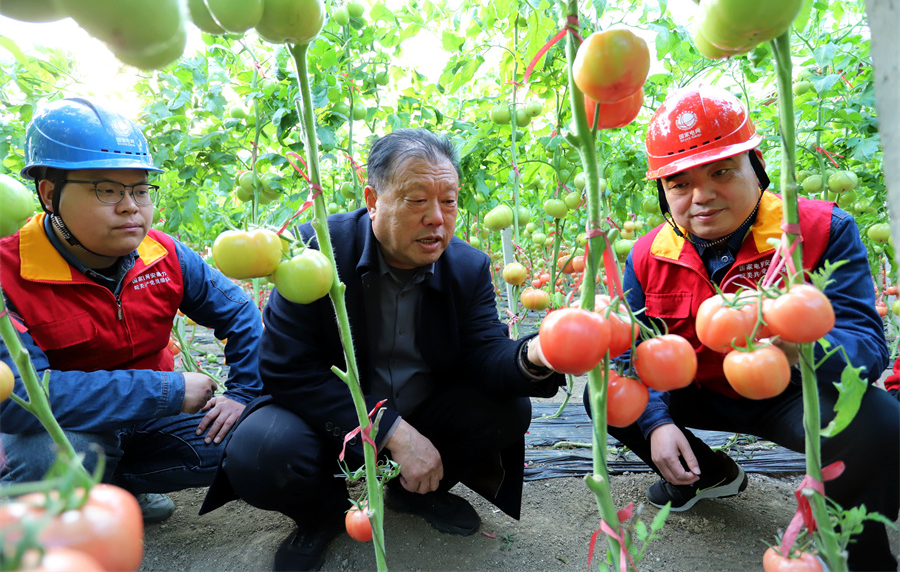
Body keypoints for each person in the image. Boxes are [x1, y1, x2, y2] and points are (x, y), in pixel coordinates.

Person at [199, 128, 564, 571]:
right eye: (416, 200)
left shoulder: (467, 268)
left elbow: (485, 353)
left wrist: (536, 355)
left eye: (448, 201)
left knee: (509, 409)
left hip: (425, 413)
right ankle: (322, 513)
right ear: (373, 200)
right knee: (260, 451)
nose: (437, 217)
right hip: (330, 425)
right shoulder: (314, 255)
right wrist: (391, 429)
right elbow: (285, 368)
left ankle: (415, 493)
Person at [581, 85, 899, 571]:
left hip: (795, 391)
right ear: (663, 193)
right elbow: (632, 353)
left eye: (722, 171)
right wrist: (657, 424)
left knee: (877, 420)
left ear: (758, 168)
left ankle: (862, 551)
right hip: (700, 388)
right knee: (606, 396)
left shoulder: (821, 230)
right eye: (679, 183)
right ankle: (708, 474)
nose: (701, 196)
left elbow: (868, 348)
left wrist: (800, 345)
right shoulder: (649, 253)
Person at [0, 98, 263, 523]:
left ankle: (114, 485)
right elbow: (19, 397)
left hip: (149, 417)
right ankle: (43, 525)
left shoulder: (161, 254)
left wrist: (243, 394)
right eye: (107, 190)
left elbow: (241, 315)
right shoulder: (6, 274)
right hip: (73, 425)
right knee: (49, 455)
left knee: (253, 439)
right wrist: (167, 391)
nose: (130, 207)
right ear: (50, 194)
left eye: (140, 190)